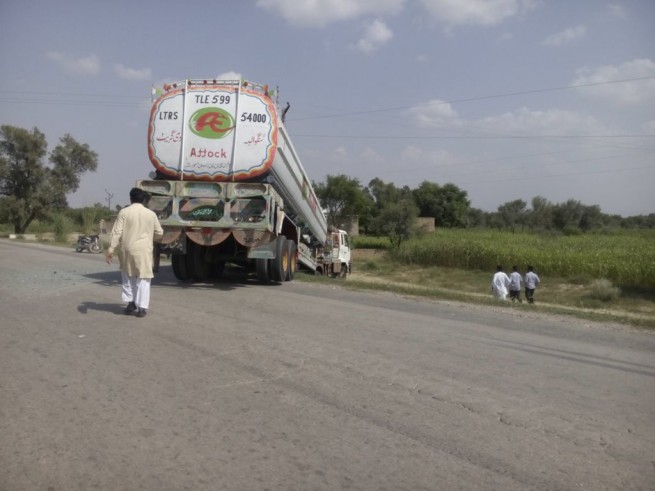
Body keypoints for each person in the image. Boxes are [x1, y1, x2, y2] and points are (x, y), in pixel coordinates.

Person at [106, 188, 164, 317]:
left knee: (128, 275)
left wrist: (110, 249)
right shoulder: (150, 214)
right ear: (143, 199)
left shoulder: (124, 212)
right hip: (144, 250)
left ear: (130, 198)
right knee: (143, 278)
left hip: (127, 249)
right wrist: (150, 238)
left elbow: (116, 232)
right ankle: (142, 308)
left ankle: (130, 303)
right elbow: (160, 232)